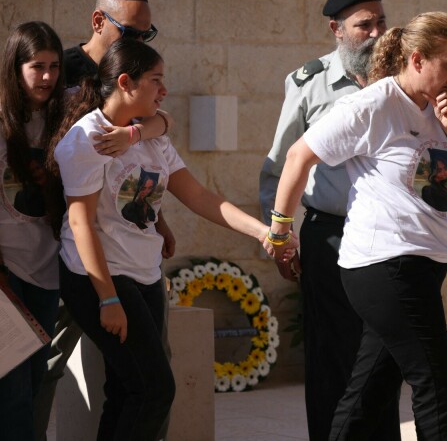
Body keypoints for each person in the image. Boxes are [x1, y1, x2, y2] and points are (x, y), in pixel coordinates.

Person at [259, 0, 447, 441]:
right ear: (418, 59)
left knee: (370, 391)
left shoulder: (443, 109)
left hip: (423, 263)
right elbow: (296, 155)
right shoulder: (374, 103)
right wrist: (280, 230)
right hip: (383, 262)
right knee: (435, 383)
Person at [50, 38, 279, 441]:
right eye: (156, 80)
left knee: (127, 391)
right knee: (155, 389)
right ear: (125, 82)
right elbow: (81, 224)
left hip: (146, 274)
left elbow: (200, 197)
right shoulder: (87, 140)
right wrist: (107, 298)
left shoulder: (151, 135)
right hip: (99, 277)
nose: (164, 90)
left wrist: (261, 231)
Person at [34, 0, 175, 441]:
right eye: (130, 33)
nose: (139, 44)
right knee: (46, 364)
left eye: (146, 35)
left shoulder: (133, 79)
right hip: (60, 246)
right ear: (99, 22)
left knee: (136, 381)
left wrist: (157, 215)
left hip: (122, 249)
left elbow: (151, 135)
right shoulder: (63, 71)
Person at [0, 21, 65, 441]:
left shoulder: (65, 115)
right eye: (36, 66)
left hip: (49, 273)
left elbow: (149, 112)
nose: (46, 77)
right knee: (12, 392)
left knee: (35, 382)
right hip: (6, 278)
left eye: (54, 66)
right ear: (15, 68)